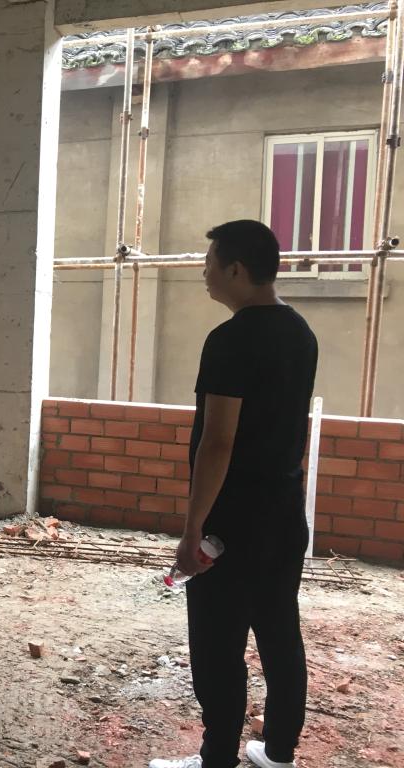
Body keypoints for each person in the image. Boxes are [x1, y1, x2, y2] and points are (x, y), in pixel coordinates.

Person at [150, 221, 318, 768]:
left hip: (233, 522)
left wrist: (192, 530)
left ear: (237, 270)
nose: (205, 273)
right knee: (279, 632)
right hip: (284, 514)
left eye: (210, 263)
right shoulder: (301, 333)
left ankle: (217, 757)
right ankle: (278, 752)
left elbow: (218, 441)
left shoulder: (230, 340)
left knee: (218, 645)